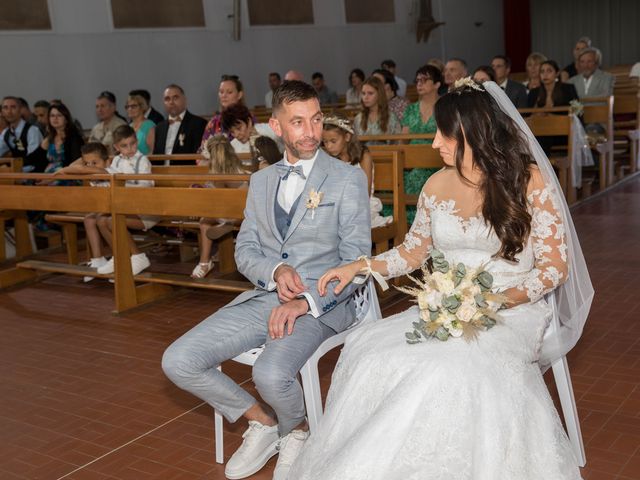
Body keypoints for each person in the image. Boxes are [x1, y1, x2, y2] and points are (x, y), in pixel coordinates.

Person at [288, 79, 593, 479]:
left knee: (451, 368)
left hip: (514, 307)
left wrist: (495, 301)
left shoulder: (530, 180)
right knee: (370, 352)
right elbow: (413, 253)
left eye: (442, 132)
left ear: (470, 132)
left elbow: (554, 268)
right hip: (444, 306)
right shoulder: (436, 185)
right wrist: (358, 267)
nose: (434, 143)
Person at [161, 80, 370, 480]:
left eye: (316, 119)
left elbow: (357, 263)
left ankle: (298, 430)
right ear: (276, 126)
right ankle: (263, 422)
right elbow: (245, 251)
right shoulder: (260, 181)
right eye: (298, 122)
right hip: (264, 297)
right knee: (178, 360)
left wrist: (304, 301)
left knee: (270, 374)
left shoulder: (347, 178)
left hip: (322, 304)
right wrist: (275, 272)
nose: (311, 132)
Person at [191, 134, 250, 279]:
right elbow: (213, 198)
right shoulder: (214, 171)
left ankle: (205, 261)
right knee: (205, 220)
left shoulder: (238, 173)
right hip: (223, 213)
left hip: (241, 215)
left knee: (210, 218)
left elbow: (243, 202)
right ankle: (205, 262)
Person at [322, 115, 391, 228]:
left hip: (362, 205)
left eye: (333, 141)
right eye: (325, 142)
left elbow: (365, 192)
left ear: (347, 137)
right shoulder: (329, 160)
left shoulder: (363, 156)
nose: (328, 146)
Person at [55, 143, 111, 281]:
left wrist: (80, 166)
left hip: (118, 209)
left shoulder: (109, 171)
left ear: (107, 162)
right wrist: (85, 162)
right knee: (89, 219)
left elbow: (76, 168)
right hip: (103, 209)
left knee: (101, 219)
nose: (91, 167)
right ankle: (98, 260)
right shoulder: (93, 173)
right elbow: (75, 166)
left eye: (95, 162)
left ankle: (120, 261)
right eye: (87, 163)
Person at [153, 84, 208, 160]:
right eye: (167, 99)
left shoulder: (198, 124)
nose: (171, 102)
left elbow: (198, 156)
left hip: (186, 171)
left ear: (185, 100)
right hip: (161, 171)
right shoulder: (159, 127)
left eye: (175, 98)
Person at [38, 102, 85, 176]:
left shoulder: (74, 138)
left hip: (68, 176)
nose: (55, 118)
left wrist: (53, 178)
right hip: (48, 175)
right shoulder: (49, 138)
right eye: (52, 116)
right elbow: (37, 160)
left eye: (59, 115)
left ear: (66, 119)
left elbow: (76, 163)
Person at [0, 96, 45, 171]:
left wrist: (12, 169)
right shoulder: (6, 133)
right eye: (5, 108)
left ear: (21, 110)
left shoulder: (32, 131)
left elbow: (34, 159)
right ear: (2, 112)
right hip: (17, 173)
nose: (9, 111)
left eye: (13, 107)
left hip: (35, 175)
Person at [200, 75, 246, 148]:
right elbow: (202, 149)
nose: (224, 96)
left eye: (229, 92)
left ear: (239, 95)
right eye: (221, 92)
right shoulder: (213, 122)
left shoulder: (248, 119)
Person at [354, 76, 401, 143]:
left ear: (379, 94)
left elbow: (398, 144)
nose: (365, 97)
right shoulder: (358, 118)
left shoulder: (391, 118)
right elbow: (355, 144)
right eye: (363, 93)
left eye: (370, 93)